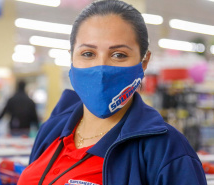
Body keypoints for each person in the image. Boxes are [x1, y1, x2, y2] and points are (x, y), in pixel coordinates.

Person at [18, 0, 207, 184]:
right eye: (88, 53)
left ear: (144, 62)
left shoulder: (168, 151)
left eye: (119, 55)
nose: (101, 68)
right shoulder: (53, 129)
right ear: (72, 58)